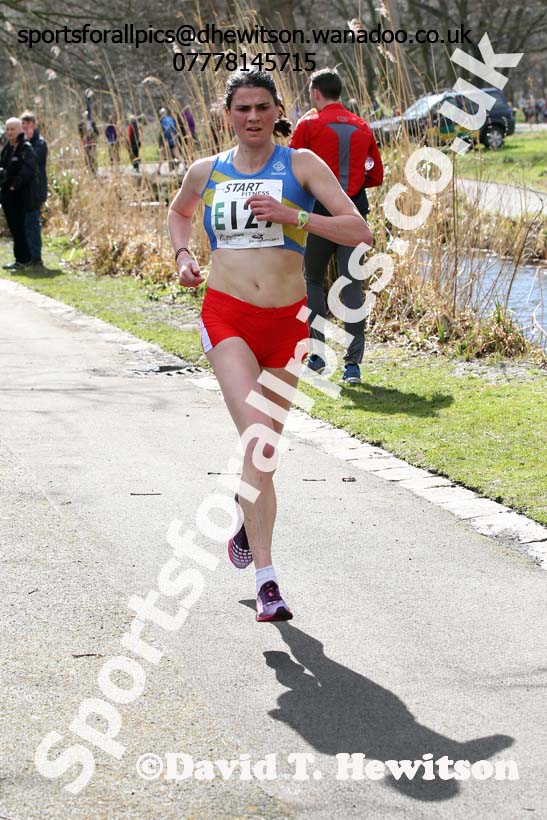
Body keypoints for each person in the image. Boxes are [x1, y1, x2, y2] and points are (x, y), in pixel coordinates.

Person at [167, 71, 371, 622]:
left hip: (288, 325)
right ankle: (267, 580)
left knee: (264, 455)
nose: (252, 117)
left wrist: (295, 216)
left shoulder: (301, 165)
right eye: (242, 109)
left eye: (261, 107)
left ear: (278, 109)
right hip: (227, 314)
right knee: (258, 442)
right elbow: (179, 212)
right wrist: (184, 257)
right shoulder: (205, 171)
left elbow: (360, 231)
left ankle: (243, 506)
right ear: (227, 114)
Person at [290, 68, 384, 385]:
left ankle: (316, 356)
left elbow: (291, 166)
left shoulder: (308, 124)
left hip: (318, 214)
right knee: (352, 286)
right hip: (354, 213)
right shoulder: (362, 125)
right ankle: (352, 365)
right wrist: (353, 183)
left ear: (316, 94)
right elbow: (377, 175)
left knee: (313, 280)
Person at [0, 117, 40, 270]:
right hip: (7, 195)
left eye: (13, 129)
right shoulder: (7, 148)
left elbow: (30, 170)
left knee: (20, 227)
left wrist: (15, 185)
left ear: (19, 130)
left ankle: (24, 259)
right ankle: (20, 259)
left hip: (20, 195)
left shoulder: (25, 147)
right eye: (8, 129)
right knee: (14, 228)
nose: (10, 132)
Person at [20, 110, 47, 266]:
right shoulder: (19, 144)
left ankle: (36, 257)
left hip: (35, 190)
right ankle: (26, 256)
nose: (26, 130)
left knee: (32, 223)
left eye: (29, 126)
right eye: (24, 126)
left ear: (35, 126)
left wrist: (27, 143)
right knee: (23, 223)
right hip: (22, 191)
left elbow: (33, 162)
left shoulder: (39, 143)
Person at [158, 107, 180, 173]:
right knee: (176, 155)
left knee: (162, 155)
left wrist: (165, 140)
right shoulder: (170, 119)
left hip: (167, 141)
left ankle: (158, 170)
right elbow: (173, 129)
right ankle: (184, 168)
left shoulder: (164, 120)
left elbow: (167, 130)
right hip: (172, 139)